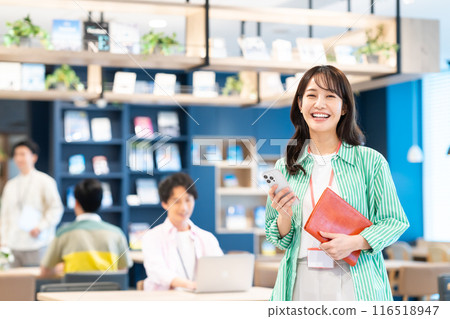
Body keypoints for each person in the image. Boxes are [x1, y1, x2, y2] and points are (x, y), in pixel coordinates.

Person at [265, 65, 409, 301]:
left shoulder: (369, 161)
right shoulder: (285, 166)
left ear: (344, 107)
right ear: (300, 105)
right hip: (300, 281)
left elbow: (394, 221)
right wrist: (284, 215)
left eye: (330, 96)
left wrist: (355, 242)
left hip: (355, 281)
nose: (319, 104)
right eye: (311, 95)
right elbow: (280, 239)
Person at [142, 173, 223, 291]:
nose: (184, 208)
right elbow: (157, 271)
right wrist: (190, 285)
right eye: (177, 201)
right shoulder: (152, 236)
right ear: (165, 204)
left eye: (188, 200)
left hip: (200, 300)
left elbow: (220, 268)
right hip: (164, 301)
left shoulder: (207, 237)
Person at [40, 178, 132, 276]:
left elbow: (45, 271)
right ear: (100, 203)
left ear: (76, 203)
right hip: (108, 290)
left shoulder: (63, 233)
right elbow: (123, 270)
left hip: (72, 290)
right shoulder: (117, 233)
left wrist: (59, 269)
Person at [0, 140, 63, 267]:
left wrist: (41, 227)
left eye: (23, 154)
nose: (18, 158)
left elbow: (56, 209)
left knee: (35, 283)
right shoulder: (10, 185)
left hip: (38, 243)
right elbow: (4, 215)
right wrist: (3, 240)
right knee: (12, 284)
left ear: (34, 157)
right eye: (16, 154)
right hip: (13, 244)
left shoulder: (45, 181)